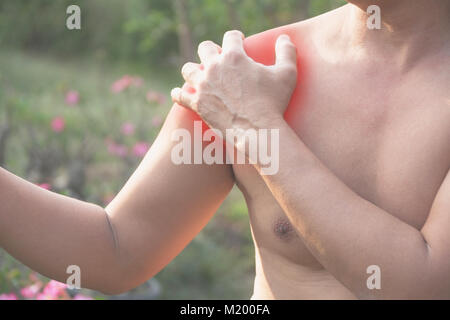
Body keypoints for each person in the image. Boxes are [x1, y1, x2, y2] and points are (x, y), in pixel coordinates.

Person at [1, 0, 449, 299]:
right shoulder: (249, 68)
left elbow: (423, 284)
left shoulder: (244, 96)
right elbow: (117, 249)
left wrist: (256, 128)